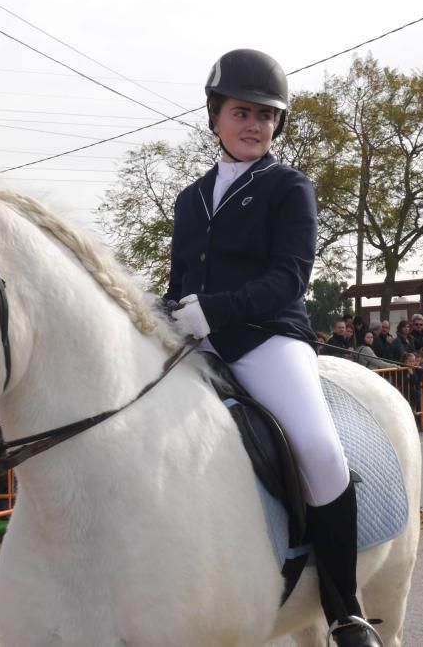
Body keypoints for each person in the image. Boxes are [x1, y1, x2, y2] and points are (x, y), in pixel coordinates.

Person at [163, 49, 379, 644]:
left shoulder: (289, 186)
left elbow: (290, 277)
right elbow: (180, 283)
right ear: (215, 117)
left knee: (318, 449)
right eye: (241, 112)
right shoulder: (190, 199)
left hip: (268, 340)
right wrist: (162, 312)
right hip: (202, 342)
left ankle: (344, 607)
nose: (254, 124)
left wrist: (216, 310)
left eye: (265, 115)